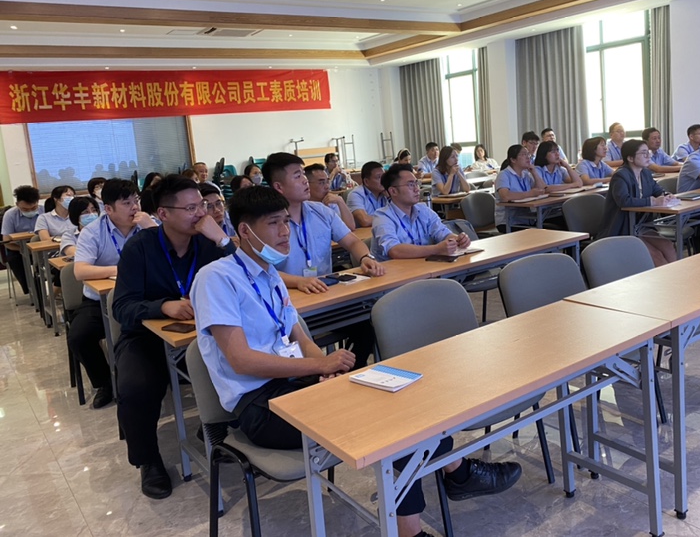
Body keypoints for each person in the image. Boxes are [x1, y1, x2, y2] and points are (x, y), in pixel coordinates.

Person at [194, 186, 520, 537]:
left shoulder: (270, 274)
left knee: (404, 395)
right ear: (245, 230)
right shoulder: (216, 279)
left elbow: (300, 339)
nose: (285, 231)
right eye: (274, 224)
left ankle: (454, 476)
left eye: (286, 222)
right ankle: (450, 483)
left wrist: (328, 369)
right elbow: (242, 360)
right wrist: (319, 367)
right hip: (260, 406)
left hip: (298, 384)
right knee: (389, 422)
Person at [111, 174, 235, 499]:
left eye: (202, 205)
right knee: (135, 387)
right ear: (163, 213)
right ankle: (148, 460)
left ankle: (221, 430)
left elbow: (247, 276)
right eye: (191, 208)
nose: (201, 213)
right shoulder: (140, 248)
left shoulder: (208, 243)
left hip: (204, 332)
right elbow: (122, 306)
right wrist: (163, 305)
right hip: (147, 337)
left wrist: (223, 240)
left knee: (246, 359)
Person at [263, 152, 384, 368]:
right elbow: (262, 270)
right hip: (290, 306)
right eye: (297, 176)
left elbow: (352, 241)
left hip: (327, 297)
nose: (305, 181)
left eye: (303, 174)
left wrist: (365, 257)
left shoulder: (321, 212)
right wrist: (298, 281)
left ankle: (346, 374)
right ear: (278, 186)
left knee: (369, 323)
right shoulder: (268, 224)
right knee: (300, 346)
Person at [72, 179, 158, 410]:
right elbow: (80, 271)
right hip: (99, 301)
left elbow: (170, 257)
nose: (135, 207)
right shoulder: (92, 232)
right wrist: (121, 269)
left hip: (142, 298)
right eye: (127, 203)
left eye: (136, 200)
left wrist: (152, 229)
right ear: (108, 209)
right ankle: (105, 383)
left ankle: (162, 377)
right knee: (79, 336)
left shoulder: (148, 225)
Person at [600, 139, 677, 267]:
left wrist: (667, 195)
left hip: (642, 225)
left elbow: (657, 190)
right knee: (655, 255)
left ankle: (677, 276)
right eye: (643, 153)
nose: (648, 156)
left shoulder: (645, 173)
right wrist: (652, 201)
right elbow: (624, 201)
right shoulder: (620, 176)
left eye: (648, 152)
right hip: (624, 227)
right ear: (630, 158)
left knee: (668, 246)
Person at [372, 164, 471, 260]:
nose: (417, 189)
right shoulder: (383, 217)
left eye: (416, 183)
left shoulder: (423, 210)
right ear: (393, 191)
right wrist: (436, 249)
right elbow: (394, 250)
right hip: (396, 270)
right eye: (411, 185)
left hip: (425, 267)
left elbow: (443, 233)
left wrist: (458, 239)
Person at [1, 185, 44, 295]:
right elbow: (6, 242)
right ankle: (31, 290)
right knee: (14, 260)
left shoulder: (44, 211)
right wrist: (24, 249)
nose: (30, 211)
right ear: (17, 204)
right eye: (25, 209)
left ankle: (48, 288)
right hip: (18, 249)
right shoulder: (10, 215)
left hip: (41, 247)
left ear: (37, 202)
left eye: (33, 208)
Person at [494, 145, 545, 233]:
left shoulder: (526, 174)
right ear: (513, 160)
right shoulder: (504, 175)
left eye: (528, 154)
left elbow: (542, 190)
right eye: (523, 154)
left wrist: (534, 172)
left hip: (527, 219)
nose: (528, 157)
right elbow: (505, 196)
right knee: (540, 234)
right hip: (508, 222)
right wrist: (530, 193)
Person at [304, 163, 356, 231]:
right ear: (307, 184)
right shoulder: (301, 207)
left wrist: (341, 202)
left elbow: (350, 227)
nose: (327, 186)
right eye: (321, 183)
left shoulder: (331, 201)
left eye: (327, 182)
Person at [347, 161, 388, 228]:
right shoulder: (356, 195)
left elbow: (400, 214)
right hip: (364, 233)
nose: (383, 180)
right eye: (379, 177)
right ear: (366, 181)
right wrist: (390, 217)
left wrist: (390, 197)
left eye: (384, 177)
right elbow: (365, 221)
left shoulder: (386, 193)